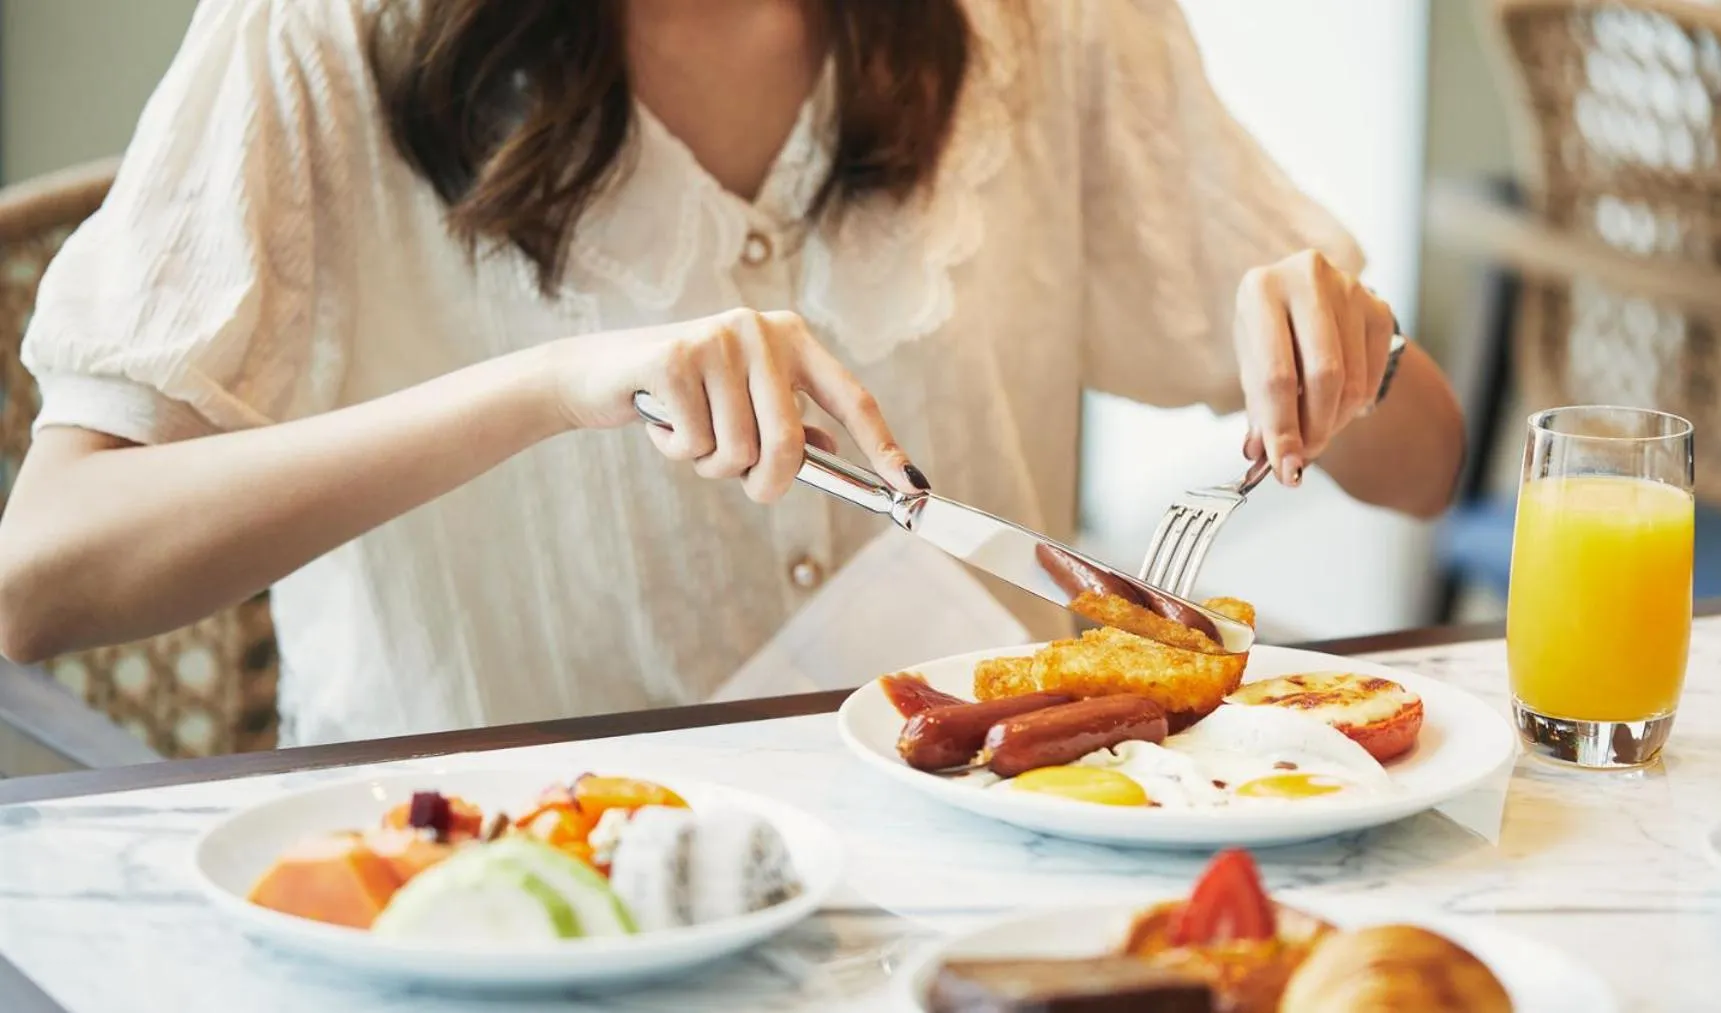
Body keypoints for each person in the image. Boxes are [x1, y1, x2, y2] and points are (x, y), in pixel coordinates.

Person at [0, 0, 1464, 745]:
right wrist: (554, 386)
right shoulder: (323, 31)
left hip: (980, 904)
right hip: (505, 912)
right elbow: (42, 576)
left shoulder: (1033, 25)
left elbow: (1426, 470)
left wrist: (1352, 355)